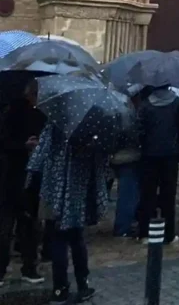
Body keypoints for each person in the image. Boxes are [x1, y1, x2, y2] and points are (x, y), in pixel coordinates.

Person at [28, 122, 108, 303]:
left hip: (52, 192)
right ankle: (82, 284)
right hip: (77, 193)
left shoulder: (54, 126)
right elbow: (101, 164)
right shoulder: (91, 129)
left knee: (58, 240)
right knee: (77, 239)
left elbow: (37, 160)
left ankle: (60, 289)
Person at [0, 81, 46, 286]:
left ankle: (14, 268)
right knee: (21, 225)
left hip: (15, 176)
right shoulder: (17, 114)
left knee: (15, 226)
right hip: (18, 176)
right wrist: (25, 146)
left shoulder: (13, 113)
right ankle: (28, 268)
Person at [137, 86, 179, 246]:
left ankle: (145, 232)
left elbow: (139, 130)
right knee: (168, 195)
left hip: (149, 155)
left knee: (147, 195)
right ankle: (168, 234)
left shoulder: (145, 105)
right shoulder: (178, 103)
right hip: (170, 154)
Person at [110, 90, 141, 238]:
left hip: (116, 156)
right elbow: (131, 135)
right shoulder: (127, 113)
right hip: (128, 157)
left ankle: (125, 223)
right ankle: (123, 227)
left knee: (126, 192)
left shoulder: (113, 106)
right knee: (128, 193)